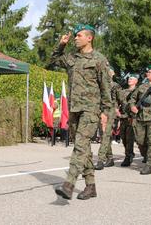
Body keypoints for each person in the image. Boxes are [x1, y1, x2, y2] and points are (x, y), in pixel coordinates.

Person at [52, 24, 113, 200]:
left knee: (80, 145)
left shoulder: (99, 59)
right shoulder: (72, 58)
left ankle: (69, 184)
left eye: (79, 35)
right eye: (75, 36)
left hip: (90, 109)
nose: (75, 38)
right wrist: (61, 44)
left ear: (89, 38)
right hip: (74, 109)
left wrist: (106, 112)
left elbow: (105, 87)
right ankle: (91, 186)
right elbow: (53, 60)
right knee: (84, 147)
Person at [94, 66, 122, 170]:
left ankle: (100, 160)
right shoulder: (99, 85)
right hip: (101, 111)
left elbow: (121, 99)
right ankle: (110, 158)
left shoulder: (115, 86)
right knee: (104, 135)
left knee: (105, 135)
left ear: (112, 73)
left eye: (108, 71)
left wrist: (121, 112)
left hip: (110, 111)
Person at [119, 74, 139, 167]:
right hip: (123, 117)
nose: (129, 80)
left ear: (136, 81)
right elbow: (117, 101)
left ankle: (128, 156)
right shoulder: (123, 92)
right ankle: (129, 153)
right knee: (124, 138)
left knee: (130, 138)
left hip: (133, 118)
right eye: (129, 78)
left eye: (132, 79)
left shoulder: (138, 91)